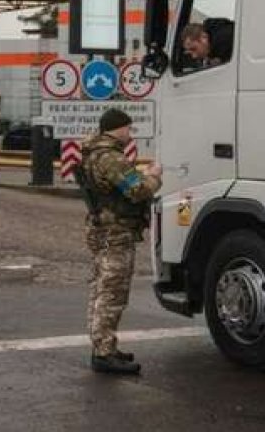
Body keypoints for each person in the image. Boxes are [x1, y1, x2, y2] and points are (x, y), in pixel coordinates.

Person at [78, 108, 162, 375]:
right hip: (115, 232)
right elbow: (137, 190)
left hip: (103, 229)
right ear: (119, 128)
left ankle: (104, 346)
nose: (130, 133)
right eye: (128, 128)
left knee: (101, 289)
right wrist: (154, 176)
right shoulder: (111, 158)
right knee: (112, 292)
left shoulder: (94, 153)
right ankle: (104, 353)